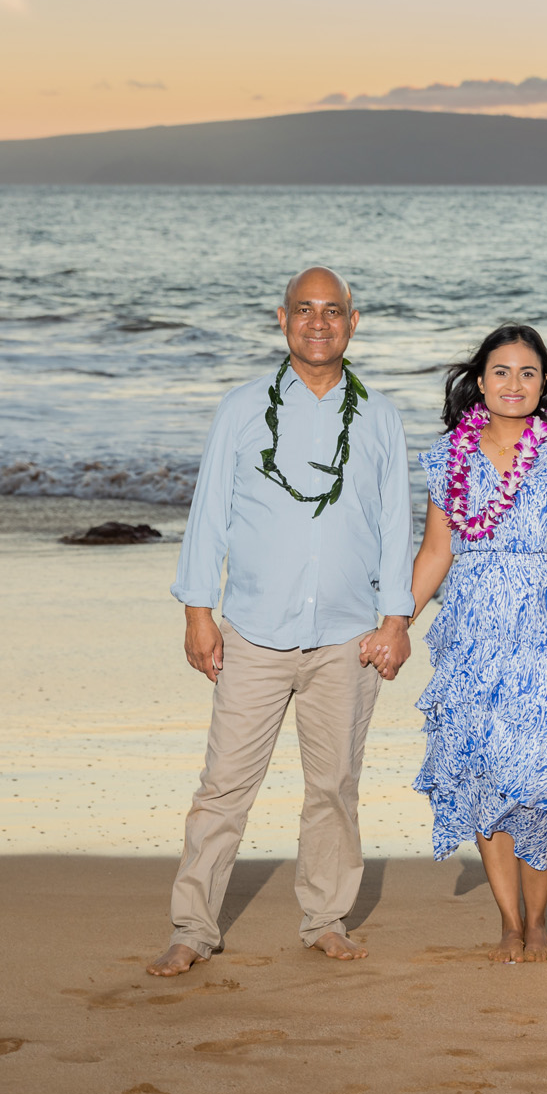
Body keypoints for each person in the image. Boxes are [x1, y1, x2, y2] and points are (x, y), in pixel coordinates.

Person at [147, 267, 415, 977]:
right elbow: (208, 518)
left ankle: (324, 916)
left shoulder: (381, 416)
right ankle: (192, 926)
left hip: (349, 637)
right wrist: (197, 613)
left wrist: (396, 621)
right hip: (253, 633)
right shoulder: (241, 410)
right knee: (224, 786)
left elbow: (395, 526)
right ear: (282, 318)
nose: (318, 322)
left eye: (333, 311)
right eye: (305, 309)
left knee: (334, 786)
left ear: (353, 323)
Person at [405, 324, 547, 964]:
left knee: (539, 775)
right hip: (471, 635)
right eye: (501, 371)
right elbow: (437, 552)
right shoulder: (451, 456)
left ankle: (540, 922)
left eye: (528, 373)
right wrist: (395, 623)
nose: (514, 384)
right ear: (479, 378)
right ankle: (507, 922)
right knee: (481, 773)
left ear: (545, 381)